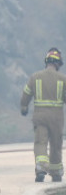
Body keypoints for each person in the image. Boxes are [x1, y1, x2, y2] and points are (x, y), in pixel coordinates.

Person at [20, 47, 66, 182]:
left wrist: (24, 107)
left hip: (40, 116)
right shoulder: (63, 79)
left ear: (46, 61)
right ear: (58, 63)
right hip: (57, 118)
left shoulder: (35, 77)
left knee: (40, 142)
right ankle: (56, 172)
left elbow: (26, 94)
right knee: (56, 144)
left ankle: (41, 168)